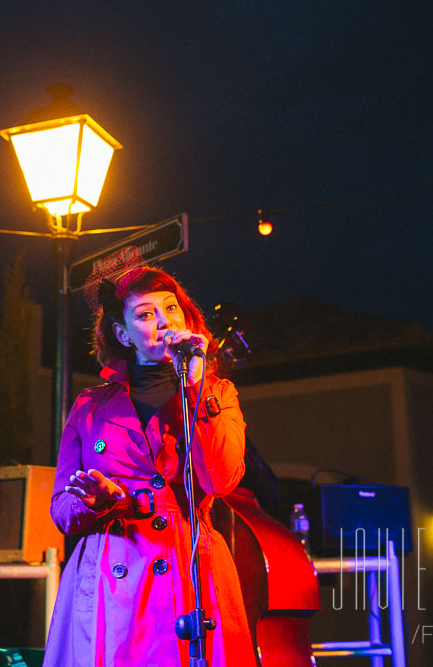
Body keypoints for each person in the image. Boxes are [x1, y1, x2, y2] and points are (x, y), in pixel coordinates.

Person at [43, 248, 254, 666]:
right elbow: (61, 511)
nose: (164, 321)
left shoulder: (216, 394)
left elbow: (221, 480)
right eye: (145, 314)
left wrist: (194, 386)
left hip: (190, 563)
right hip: (112, 571)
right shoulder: (90, 405)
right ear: (123, 335)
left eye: (171, 308)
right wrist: (96, 500)